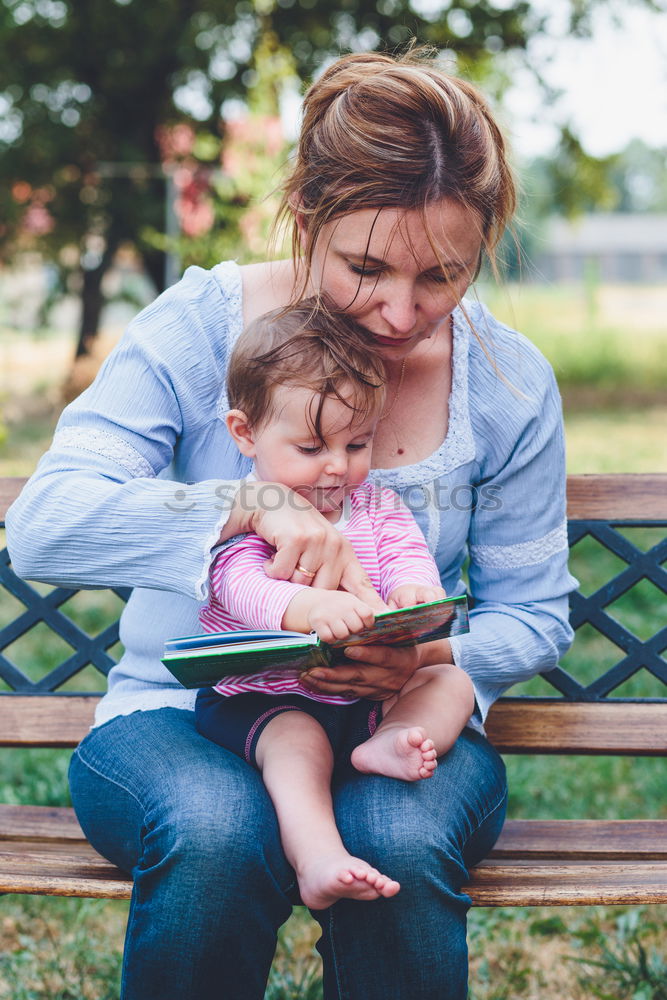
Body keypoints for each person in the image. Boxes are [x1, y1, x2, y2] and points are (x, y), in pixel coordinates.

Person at [5, 47, 577, 1000]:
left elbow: (533, 612)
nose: (403, 315)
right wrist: (248, 500)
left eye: (444, 275)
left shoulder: (508, 384)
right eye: (365, 267)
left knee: (396, 830)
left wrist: (427, 663)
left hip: (393, 720)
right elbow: (46, 525)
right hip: (177, 717)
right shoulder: (197, 330)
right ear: (306, 218)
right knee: (218, 829)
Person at [194, 301, 476, 910]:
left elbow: (407, 560)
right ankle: (318, 856)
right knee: (300, 746)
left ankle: (398, 740)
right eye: (311, 446)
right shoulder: (248, 516)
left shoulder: (377, 508)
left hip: (369, 699)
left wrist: (415, 597)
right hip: (269, 699)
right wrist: (308, 607)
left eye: (356, 443)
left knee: (450, 682)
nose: (336, 467)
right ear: (246, 433)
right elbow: (241, 587)